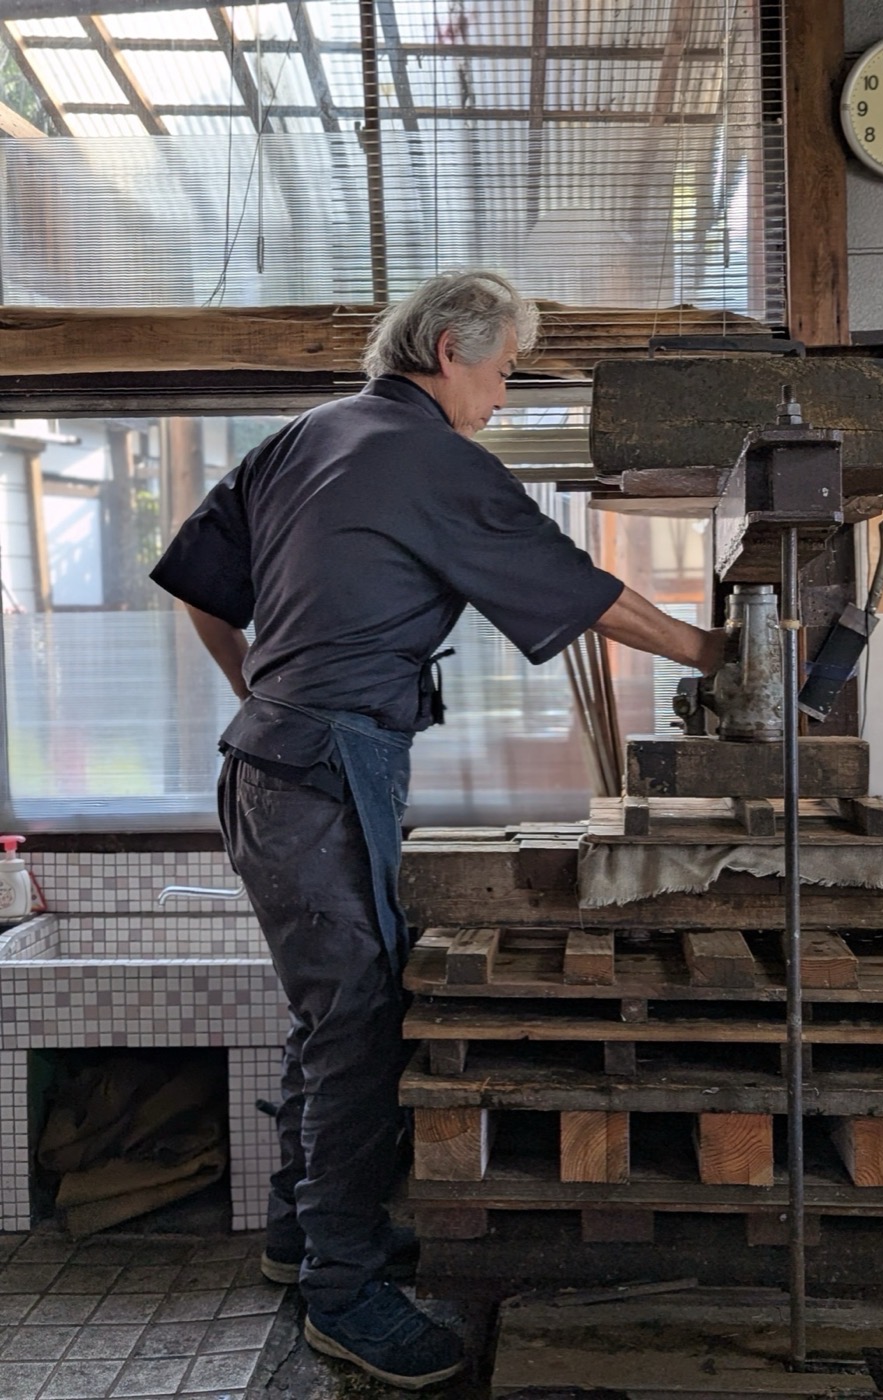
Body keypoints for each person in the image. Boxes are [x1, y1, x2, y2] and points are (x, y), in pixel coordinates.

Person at [150, 270, 724, 1390]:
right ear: (453, 346)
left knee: (332, 1004)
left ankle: (302, 1233)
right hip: (321, 766)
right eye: (506, 369)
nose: (505, 396)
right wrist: (720, 657)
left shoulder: (304, 437)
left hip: (276, 760)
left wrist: (259, 690)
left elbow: (199, 587)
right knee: (360, 1014)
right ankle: (346, 1291)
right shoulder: (434, 459)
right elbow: (584, 591)